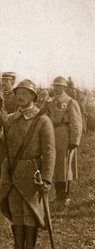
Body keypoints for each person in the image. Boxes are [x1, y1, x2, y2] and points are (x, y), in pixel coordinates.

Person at [0, 80, 55, 249]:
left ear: (33, 96)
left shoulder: (42, 120)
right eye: (18, 93)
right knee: (16, 212)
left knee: (30, 212)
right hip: (12, 172)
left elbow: (49, 151)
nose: (20, 97)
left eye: (25, 93)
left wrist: (46, 178)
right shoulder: (10, 120)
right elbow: (3, 146)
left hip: (33, 173)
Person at [46, 76, 83, 207]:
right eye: (54, 86)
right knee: (55, 166)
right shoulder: (50, 102)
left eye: (59, 86)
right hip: (53, 135)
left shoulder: (71, 102)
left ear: (64, 87)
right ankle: (58, 195)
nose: (56, 88)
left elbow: (77, 123)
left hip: (64, 135)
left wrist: (74, 140)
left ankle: (65, 196)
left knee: (65, 166)